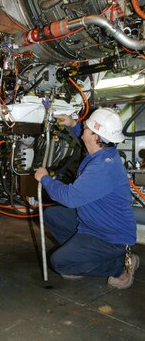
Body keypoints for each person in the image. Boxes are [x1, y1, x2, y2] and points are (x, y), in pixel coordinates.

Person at [34, 108, 138, 289]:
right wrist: (73, 124)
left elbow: (69, 198)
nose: (84, 129)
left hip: (109, 236)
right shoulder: (102, 152)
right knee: (52, 215)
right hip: (91, 221)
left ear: (96, 136)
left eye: (87, 128)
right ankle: (79, 257)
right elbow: (88, 136)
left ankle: (120, 265)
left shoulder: (102, 168)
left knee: (59, 262)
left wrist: (45, 178)